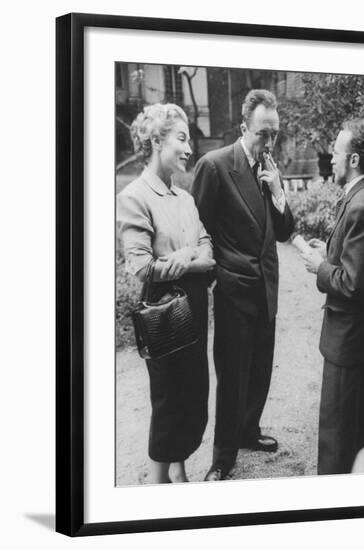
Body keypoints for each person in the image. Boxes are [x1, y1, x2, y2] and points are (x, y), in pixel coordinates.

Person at [192, 89, 295, 481]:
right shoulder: (216, 165)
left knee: (260, 371)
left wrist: (278, 193)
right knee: (233, 376)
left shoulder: (270, 168)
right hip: (235, 292)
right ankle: (222, 457)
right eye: (262, 134)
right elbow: (198, 229)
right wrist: (220, 273)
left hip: (266, 287)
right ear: (242, 128)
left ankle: (248, 431)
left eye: (274, 134)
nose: (269, 142)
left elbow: (283, 232)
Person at [117, 103, 215, 484]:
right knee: (169, 403)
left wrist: (186, 255)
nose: (190, 147)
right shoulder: (134, 196)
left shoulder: (186, 198)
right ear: (157, 140)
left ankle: (179, 468)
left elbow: (208, 251)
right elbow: (141, 266)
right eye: (182, 137)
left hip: (193, 307)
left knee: (194, 398)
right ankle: (159, 491)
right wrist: (193, 261)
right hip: (163, 311)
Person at [301, 118, 364, 475]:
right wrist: (331, 252)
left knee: (337, 441)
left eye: (336, 152)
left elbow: (353, 284)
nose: (330, 158)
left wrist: (321, 266)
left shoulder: (359, 206)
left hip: (347, 343)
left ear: (353, 159)